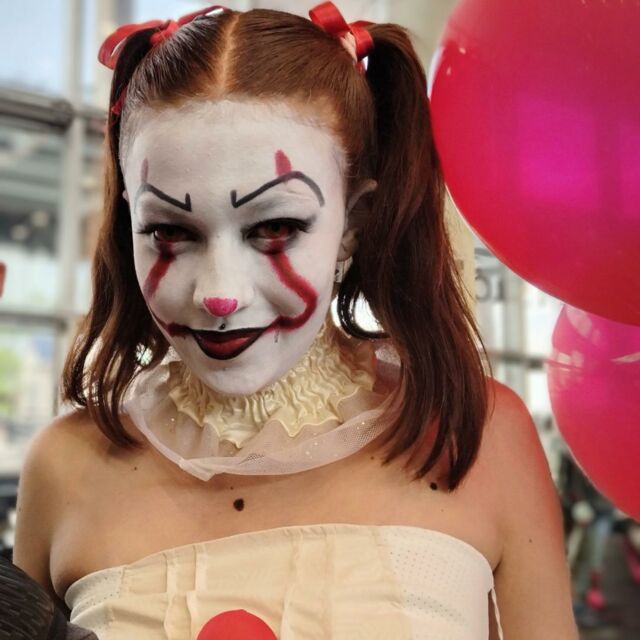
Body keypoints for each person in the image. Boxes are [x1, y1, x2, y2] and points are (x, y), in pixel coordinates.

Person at [12, 3, 577, 638]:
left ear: (354, 223)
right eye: (170, 231)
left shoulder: (479, 436)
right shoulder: (63, 467)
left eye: (276, 227)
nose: (220, 295)